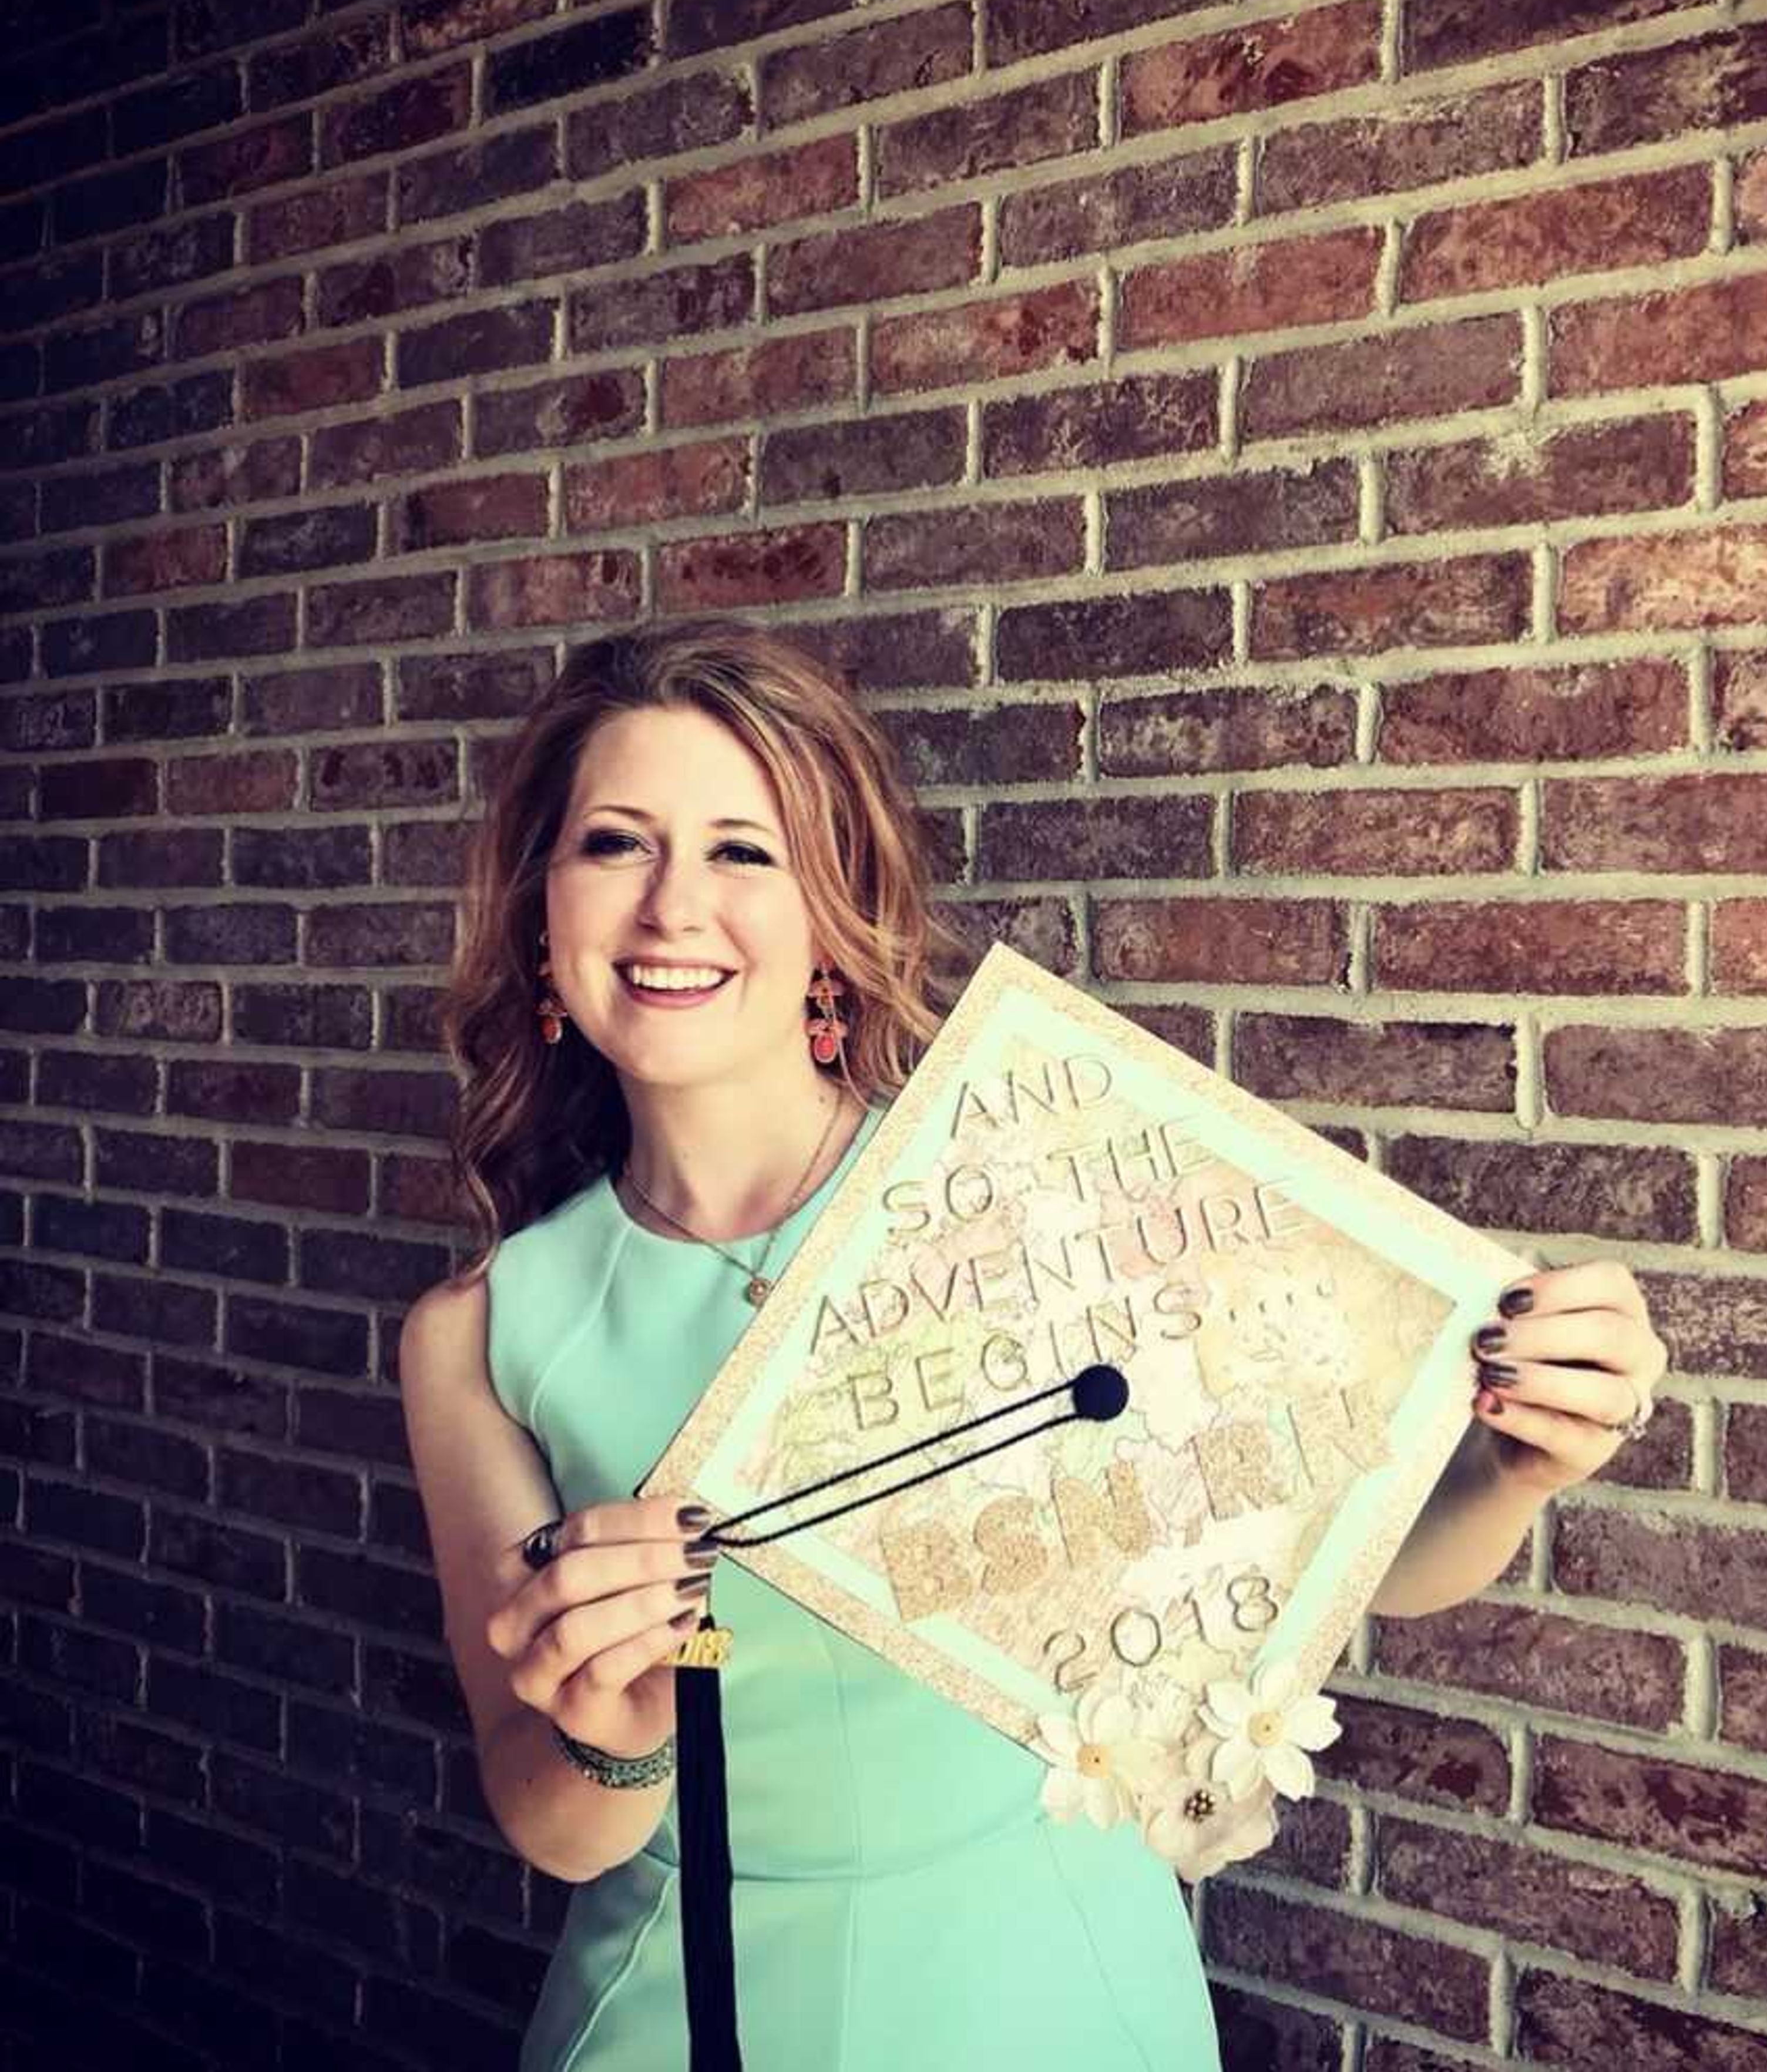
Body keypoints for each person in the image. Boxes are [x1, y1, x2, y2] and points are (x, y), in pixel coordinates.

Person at [399, 613, 1669, 2072]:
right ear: (541, 913)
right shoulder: (480, 1336)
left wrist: (1515, 1463)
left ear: (829, 908)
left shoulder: (1030, 1188)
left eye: (744, 850)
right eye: (617, 842)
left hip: (1060, 1980)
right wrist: (614, 1727)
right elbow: (552, 1820)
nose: (675, 903)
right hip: (689, 2011)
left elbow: (1359, 1569)